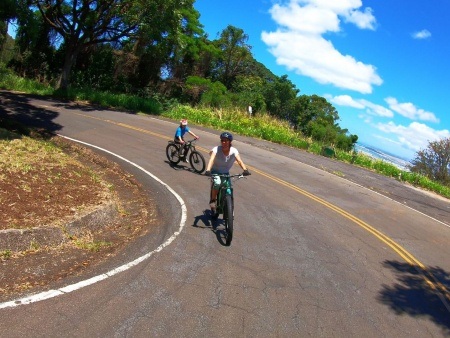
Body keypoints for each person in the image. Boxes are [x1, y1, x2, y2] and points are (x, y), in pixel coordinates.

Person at [204, 132, 250, 215]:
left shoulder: (234, 151)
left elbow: (239, 161)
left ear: (230, 142)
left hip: (225, 173)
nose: (224, 143)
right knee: (217, 183)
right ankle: (213, 200)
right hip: (215, 172)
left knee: (228, 189)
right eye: (222, 141)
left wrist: (245, 170)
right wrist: (208, 170)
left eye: (226, 141)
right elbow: (211, 160)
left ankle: (229, 207)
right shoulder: (216, 149)